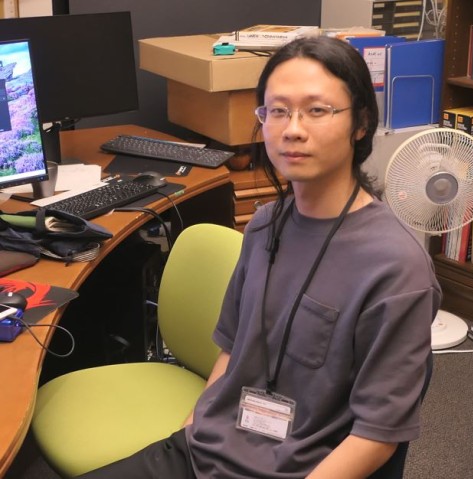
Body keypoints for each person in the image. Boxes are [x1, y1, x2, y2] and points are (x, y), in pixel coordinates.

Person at [78, 35, 441, 479]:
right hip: (202, 452)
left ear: (361, 123)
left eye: (317, 110)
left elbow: (377, 436)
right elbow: (233, 349)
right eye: (277, 110)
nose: (292, 128)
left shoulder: (396, 267)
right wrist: (197, 427)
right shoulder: (267, 224)